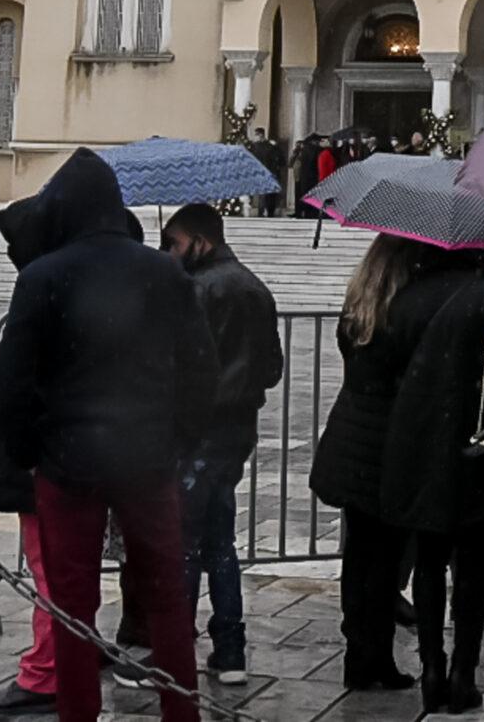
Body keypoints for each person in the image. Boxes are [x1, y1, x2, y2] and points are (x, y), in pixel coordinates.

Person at [0, 150, 217, 722]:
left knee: (73, 605)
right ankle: (180, 712)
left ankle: (78, 713)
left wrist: (31, 453)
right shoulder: (163, 271)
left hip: (68, 462)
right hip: (145, 457)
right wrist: (178, 441)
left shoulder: (43, 275)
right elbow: (200, 367)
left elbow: (14, 380)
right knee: (166, 599)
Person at [311, 235, 446, 690]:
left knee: (361, 555)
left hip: (352, 436)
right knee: (385, 558)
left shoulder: (359, 309)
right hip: (387, 446)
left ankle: (358, 653)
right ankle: (377, 657)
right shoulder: (406, 313)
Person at [381, 248, 484, 713]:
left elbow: (388, 361)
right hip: (474, 447)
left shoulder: (408, 296)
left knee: (430, 559)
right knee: (471, 565)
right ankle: (462, 673)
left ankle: (432, 667)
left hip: (418, 443)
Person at [162, 203, 284, 685]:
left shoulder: (197, 290)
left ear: (199, 241)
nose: (168, 252)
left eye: (173, 242)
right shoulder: (255, 286)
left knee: (188, 542)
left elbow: (181, 364)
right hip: (238, 428)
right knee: (219, 540)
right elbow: (272, 367)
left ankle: (174, 651)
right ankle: (229, 648)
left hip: (198, 430)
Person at [0, 194, 65, 715]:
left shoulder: (43, 288)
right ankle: (59, 661)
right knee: (59, 566)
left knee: (49, 567)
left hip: (44, 459)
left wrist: (25, 454)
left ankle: (46, 672)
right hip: (66, 456)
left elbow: (18, 385)